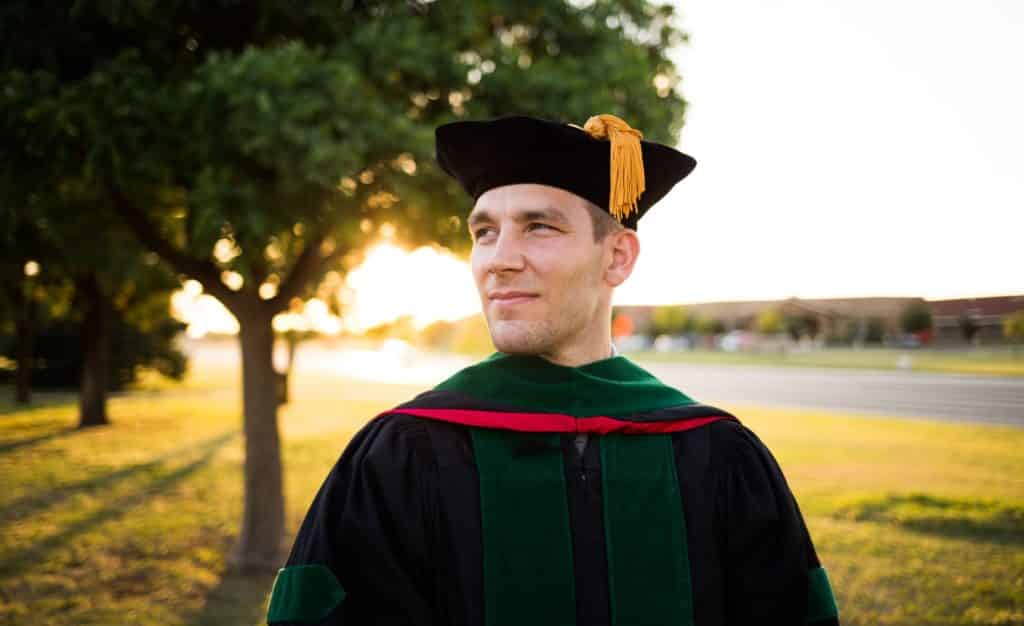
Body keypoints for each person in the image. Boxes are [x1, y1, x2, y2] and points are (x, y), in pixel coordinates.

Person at [266, 114, 840, 626]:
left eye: (539, 227)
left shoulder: (717, 455)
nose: (499, 260)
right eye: (484, 232)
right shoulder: (402, 454)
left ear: (617, 256)